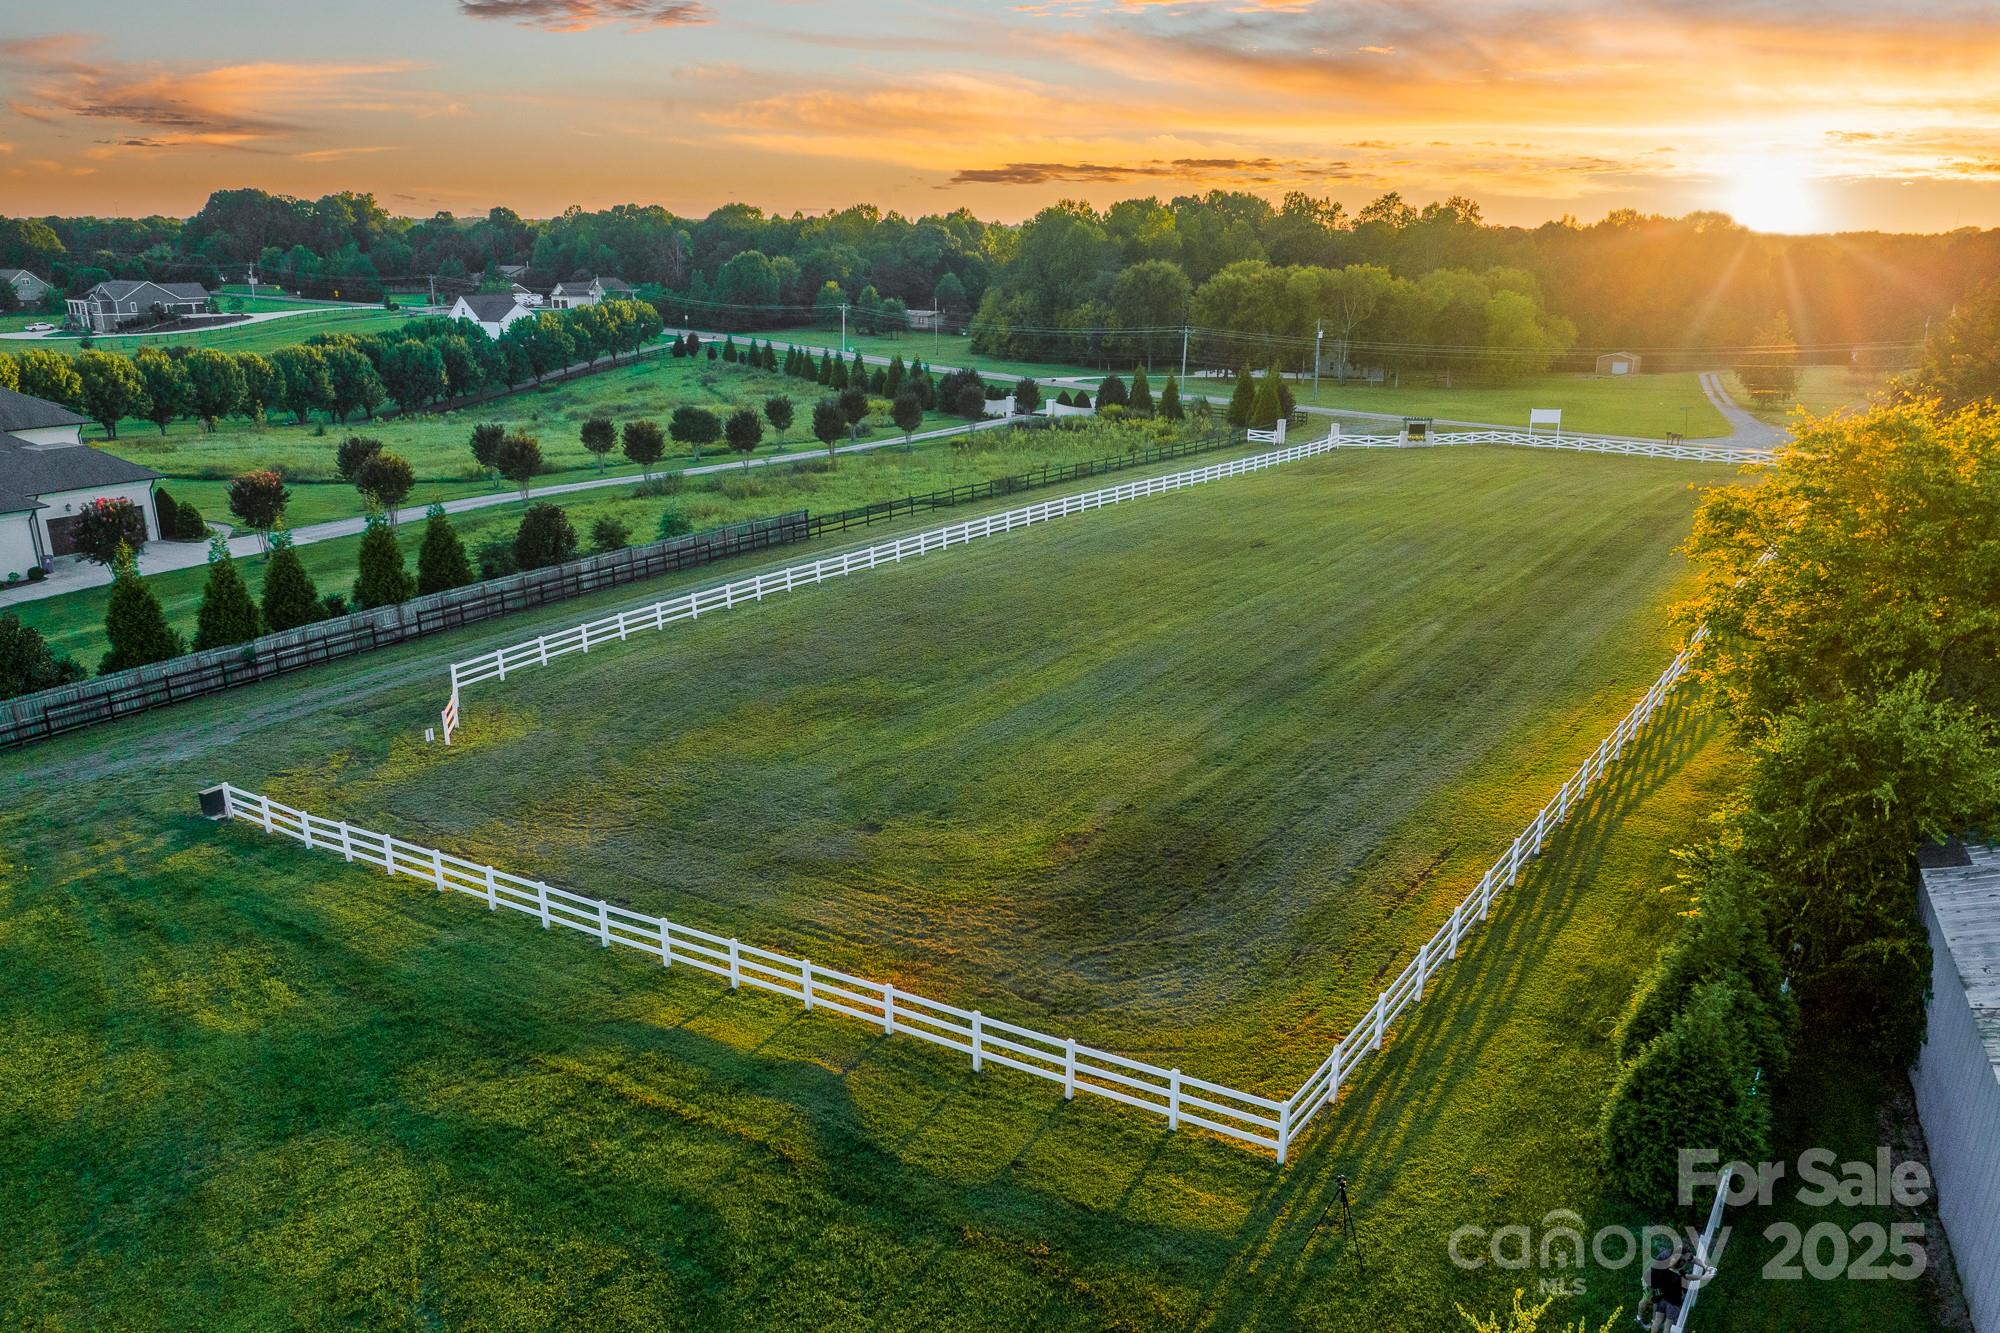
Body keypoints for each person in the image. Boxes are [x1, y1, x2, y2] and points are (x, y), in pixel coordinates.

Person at [1641, 1241, 1713, 1332]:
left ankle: (1655, 1321)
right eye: (1686, 1258)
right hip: (1652, 1281)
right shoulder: (1670, 1264)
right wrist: (1703, 1277)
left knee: (1658, 1314)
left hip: (1665, 1289)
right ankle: (1644, 1317)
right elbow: (1685, 1276)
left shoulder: (1678, 1257)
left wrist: (1706, 1267)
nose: (1689, 1259)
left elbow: (1693, 1259)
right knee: (1655, 1302)